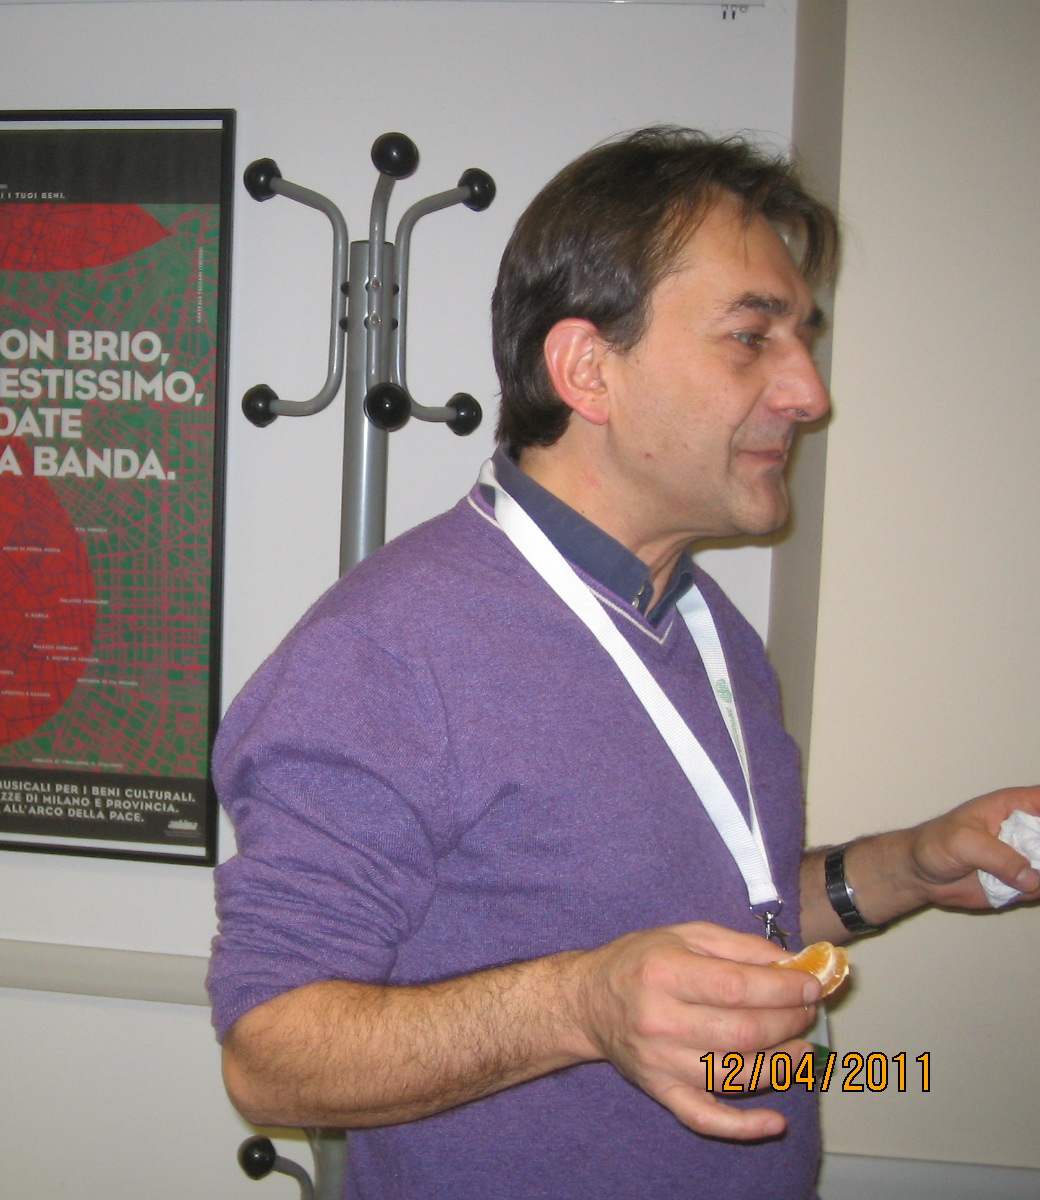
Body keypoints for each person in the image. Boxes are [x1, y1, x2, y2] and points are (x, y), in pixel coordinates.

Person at [205, 127, 1040, 1200]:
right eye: (752, 338)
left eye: (802, 339)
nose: (808, 393)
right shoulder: (385, 653)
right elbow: (271, 1055)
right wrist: (580, 1006)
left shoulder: (703, 623)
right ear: (587, 369)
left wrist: (908, 867)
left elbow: (712, 911)